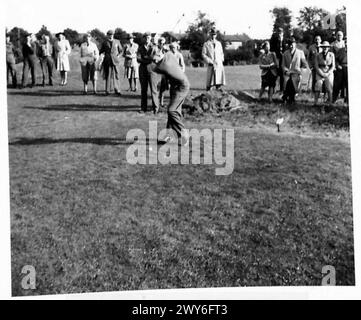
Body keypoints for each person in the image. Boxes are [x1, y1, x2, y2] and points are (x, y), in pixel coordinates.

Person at [151, 49, 190, 145]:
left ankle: (184, 134)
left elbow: (152, 68)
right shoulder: (169, 55)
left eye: (156, 60)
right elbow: (168, 52)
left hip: (182, 87)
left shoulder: (164, 66)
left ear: (161, 56)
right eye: (154, 60)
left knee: (172, 110)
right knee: (174, 112)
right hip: (175, 85)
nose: (155, 61)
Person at [281, 37, 308, 104]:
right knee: (287, 81)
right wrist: (286, 71)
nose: (291, 46)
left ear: (295, 44)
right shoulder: (285, 53)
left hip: (297, 73)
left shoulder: (300, 52)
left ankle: (288, 97)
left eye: (292, 44)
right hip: (288, 72)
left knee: (293, 82)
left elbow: (304, 63)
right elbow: (283, 65)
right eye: (289, 44)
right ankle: (289, 97)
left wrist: (302, 69)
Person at [137, 32, 159, 113]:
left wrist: (146, 58)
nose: (147, 38)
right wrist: (148, 59)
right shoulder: (140, 47)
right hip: (142, 69)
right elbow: (138, 59)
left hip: (152, 69)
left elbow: (154, 58)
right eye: (145, 37)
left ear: (150, 38)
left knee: (154, 89)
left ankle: (155, 108)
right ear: (143, 38)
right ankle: (143, 108)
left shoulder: (154, 47)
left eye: (148, 37)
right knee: (143, 90)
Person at [99, 29, 123, 95]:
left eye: (112, 34)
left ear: (113, 35)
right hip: (107, 61)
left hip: (115, 61)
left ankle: (117, 90)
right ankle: (107, 91)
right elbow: (101, 51)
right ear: (107, 35)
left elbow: (121, 51)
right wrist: (102, 55)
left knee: (116, 75)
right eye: (109, 34)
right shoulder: (104, 42)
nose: (111, 36)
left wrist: (118, 56)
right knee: (108, 75)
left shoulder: (117, 42)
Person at [314, 41, 335, 105]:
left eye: (326, 47)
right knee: (318, 84)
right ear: (322, 48)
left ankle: (330, 103)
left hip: (329, 72)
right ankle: (316, 103)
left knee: (329, 86)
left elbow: (333, 66)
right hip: (320, 72)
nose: (325, 48)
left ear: (328, 48)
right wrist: (322, 73)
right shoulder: (318, 55)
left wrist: (328, 73)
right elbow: (316, 66)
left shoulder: (331, 55)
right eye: (323, 47)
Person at [270, 27, 287, 92]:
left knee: (282, 74)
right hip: (276, 58)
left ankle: (282, 89)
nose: (280, 34)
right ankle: (273, 88)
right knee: (275, 73)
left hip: (283, 59)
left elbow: (286, 49)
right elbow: (272, 49)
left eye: (281, 32)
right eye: (279, 32)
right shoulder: (274, 40)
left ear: (283, 33)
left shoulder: (285, 40)